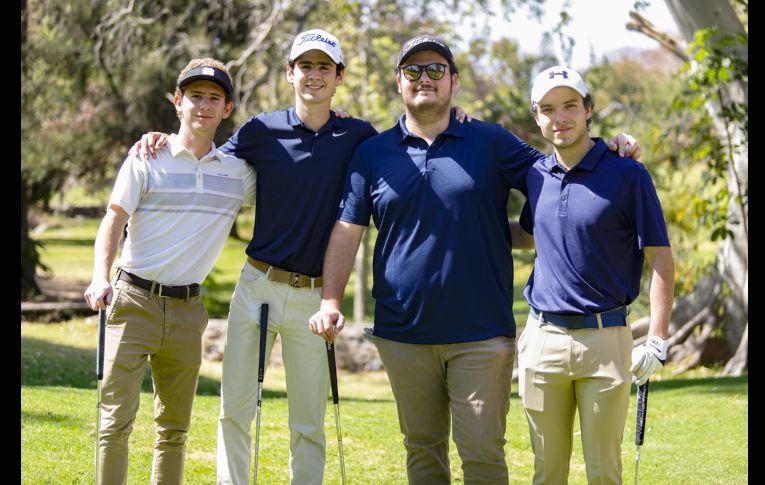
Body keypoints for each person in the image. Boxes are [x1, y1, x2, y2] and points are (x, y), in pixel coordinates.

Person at [132, 28, 473, 485]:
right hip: (256, 287)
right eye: (305, 66)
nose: (314, 76)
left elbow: (410, 135)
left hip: (315, 297)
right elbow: (204, 158)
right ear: (290, 73)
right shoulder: (260, 131)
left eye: (324, 68)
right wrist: (164, 137)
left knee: (308, 422)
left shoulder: (358, 136)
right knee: (235, 409)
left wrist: (457, 118)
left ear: (338, 77)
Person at [308, 35, 640, 484]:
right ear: (398, 83)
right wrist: (331, 299)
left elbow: (562, 172)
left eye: (435, 70)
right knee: (422, 453)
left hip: (481, 335)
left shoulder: (490, 142)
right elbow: (348, 231)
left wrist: (608, 148)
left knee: (483, 457)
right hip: (403, 334)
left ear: (454, 81)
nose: (424, 79)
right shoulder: (372, 153)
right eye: (413, 71)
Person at [84, 58, 255, 484]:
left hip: (187, 310)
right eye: (195, 96)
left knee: (174, 430)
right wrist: (99, 275)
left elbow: (297, 176)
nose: (204, 105)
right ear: (178, 102)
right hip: (132, 301)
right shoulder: (146, 158)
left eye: (214, 98)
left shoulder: (237, 174)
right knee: (114, 423)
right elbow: (114, 218)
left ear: (227, 109)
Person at [513, 65, 674, 484]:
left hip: (606, 340)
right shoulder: (536, 175)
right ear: (537, 116)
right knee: (547, 473)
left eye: (569, 106)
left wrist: (656, 338)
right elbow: (535, 234)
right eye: (548, 109)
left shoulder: (628, 174)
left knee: (604, 472)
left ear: (589, 109)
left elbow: (660, 260)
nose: (559, 117)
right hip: (542, 339)